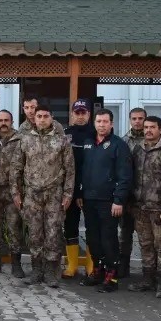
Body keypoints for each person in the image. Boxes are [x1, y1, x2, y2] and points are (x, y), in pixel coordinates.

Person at [12, 104, 75, 287]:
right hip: (32, 195)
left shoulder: (62, 140)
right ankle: (36, 270)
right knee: (35, 233)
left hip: (54, 194)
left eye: (45, 116)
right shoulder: (25, 140)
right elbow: (16, 169)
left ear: (52, 118)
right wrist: (16, 193)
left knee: (53, 233)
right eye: (38, 116)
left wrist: (68, 194)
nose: (41, 119)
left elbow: (70, 170)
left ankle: (51, 272)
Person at [77, 108, 132, 292]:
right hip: (89, 199)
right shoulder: (88, 143)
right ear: (94, 123)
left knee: (108, 238)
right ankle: (98, 271)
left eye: (105, 122)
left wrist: (119, 200)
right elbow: (82, 170)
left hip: (109, 201)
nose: (101, 125)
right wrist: (79, 194)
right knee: (93, 238)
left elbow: (125, 175)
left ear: (112, 124)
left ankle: (112, 275)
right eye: (99, 121)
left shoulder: (119, 145)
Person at [129, 116, 161, 298]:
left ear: (160, 129)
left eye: (152, 127)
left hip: (160, 209)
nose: (148, 130)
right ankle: (147, 279)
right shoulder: (138, 149)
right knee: (145, 244)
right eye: (146, 127)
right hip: (141, 207)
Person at [0, 110, 24, 277]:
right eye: (0, 120)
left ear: (12, 121)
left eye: (6, 120)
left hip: (12, 191)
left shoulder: (20, 139)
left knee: (14, 227)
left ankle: (16, 263)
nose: (3, 123)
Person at [64, 99, 96, 278]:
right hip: (70, 190)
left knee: (92, 227)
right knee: (70, 226)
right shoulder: (65, 135)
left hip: (90, 190)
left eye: (84, 112)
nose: (80, 116)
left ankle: (91, 266)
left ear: (89, 115)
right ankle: (72, 265)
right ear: (72, 114)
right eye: (77, 112)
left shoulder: (95, 134)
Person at [118, 107, 146, 279]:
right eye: (134, 118)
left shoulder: (154, 139)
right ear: (129, 120)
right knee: (125, 234)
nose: (137, 121)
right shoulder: (123, 142)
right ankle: (123, 266)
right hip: (127, 197)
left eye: (140, 118)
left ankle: (149, 270)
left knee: (146, 238)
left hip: (146, 197)